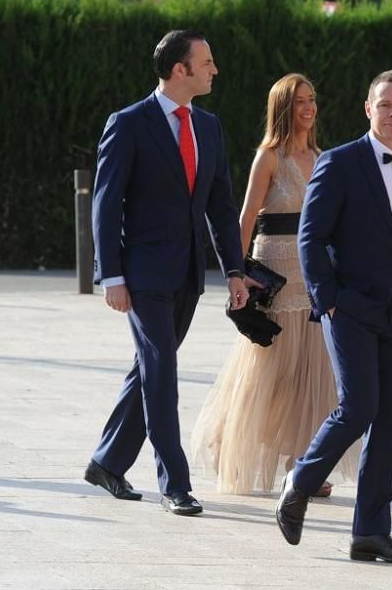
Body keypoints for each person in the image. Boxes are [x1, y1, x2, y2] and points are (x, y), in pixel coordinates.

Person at [275, 70, 392, 563]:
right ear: (368, 108)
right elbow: (310, 237)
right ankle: (301, 481)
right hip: (349, 306)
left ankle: (371, 532)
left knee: (391, 421)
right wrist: (327, 298)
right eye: (385, 105)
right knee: (359, 406)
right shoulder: (339, 163)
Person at [85, 29, 251, 517]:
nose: (214, 69)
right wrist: (111, 275)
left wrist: (235, 272)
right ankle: (174, 483)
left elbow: (221, 208)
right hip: (141, 275)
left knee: (148, 370)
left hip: (187, 275)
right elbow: (105, 202)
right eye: (206, 62)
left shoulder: (211, 127)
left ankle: (107, 462)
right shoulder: (128, 123)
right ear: (180, 69)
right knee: (162, 370)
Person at [190, 73, 359, 496]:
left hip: (313, 273)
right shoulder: (269, 157)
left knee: (314, 371)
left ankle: (302, 463)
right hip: (274, 271)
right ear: (283, 107)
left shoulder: (323, 158)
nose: (309, 108)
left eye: (312, 100)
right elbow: (245, 217)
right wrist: (236, 272)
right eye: (300, 101)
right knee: (273, 370)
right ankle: (232, 439)